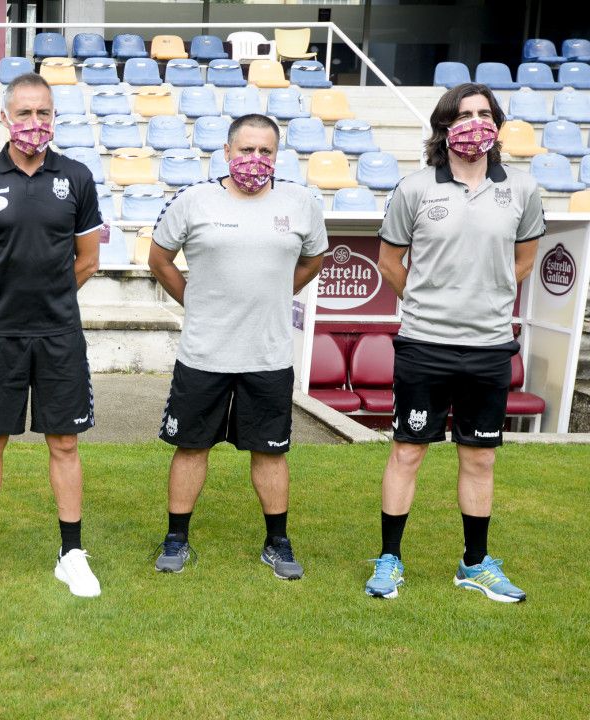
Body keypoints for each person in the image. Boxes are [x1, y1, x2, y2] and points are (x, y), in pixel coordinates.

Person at [364, 83, 544, 603]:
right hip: (424, 343)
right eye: (463, 114)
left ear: (497, 124)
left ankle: (474, 564)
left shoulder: (523, 189)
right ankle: (390, 560)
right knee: (407, 451)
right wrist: (428, 301)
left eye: (484, 114)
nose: (474, 123)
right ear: (444, 127)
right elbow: (390, 263)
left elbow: (526, 260)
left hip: (489, 346)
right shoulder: (416, 188)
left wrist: (487, 298)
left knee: (480, 458)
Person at [148, 114, 327, 580]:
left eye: (265, 151)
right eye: (246, 150)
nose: (255, 159)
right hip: (204, 353)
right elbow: (159, 259)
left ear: (277, 155)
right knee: (191, 447)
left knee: (270, 452)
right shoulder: (194, 201)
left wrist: (278, 293)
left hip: (267, 356)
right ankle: (176, 538)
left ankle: (277, 542)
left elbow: (314, 258)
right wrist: (193, 299)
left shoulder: (301, 203)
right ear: (227, 152)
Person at [0, 73, 103, 598]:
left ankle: (71, 554)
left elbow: (87, 260)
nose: (35, 123)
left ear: (53, 118)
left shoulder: (77, 178)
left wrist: (49, 297)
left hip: (59, 333)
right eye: (26, 113)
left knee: (65, 442)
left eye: (45, 113)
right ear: (5, 118)